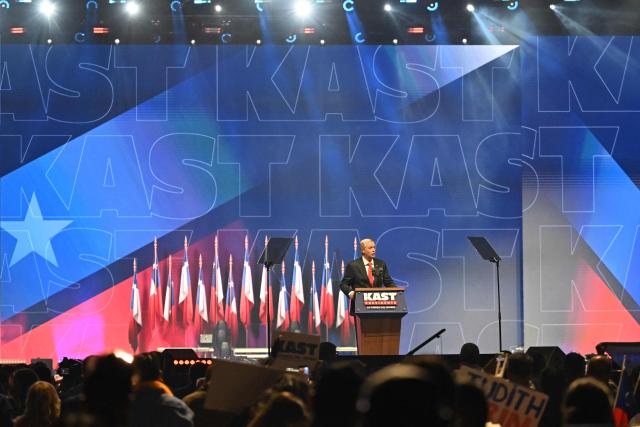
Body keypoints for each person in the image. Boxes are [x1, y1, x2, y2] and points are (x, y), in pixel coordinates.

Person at [339, 239, 394, 310]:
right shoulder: (353, 265)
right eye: (370, 248)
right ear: (363, 250)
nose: (373, 250)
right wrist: (350, 293)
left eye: (374, 247)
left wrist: (397, 293)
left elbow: (388, 282)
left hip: (378, 305)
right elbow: (343, 284)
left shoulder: (381, 264)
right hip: (360, 306)